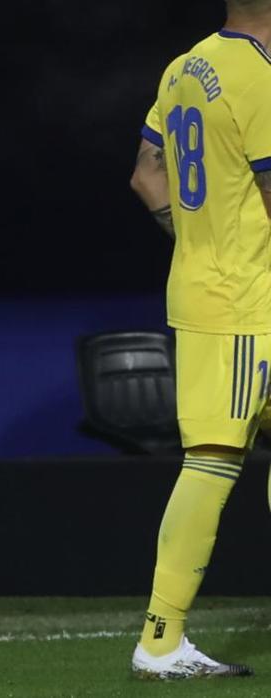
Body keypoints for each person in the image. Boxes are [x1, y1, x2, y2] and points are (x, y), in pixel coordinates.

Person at [127, 0, 271, 680]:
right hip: (249, 305)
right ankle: (159, 639)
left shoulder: (184, 66)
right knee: (212, 461)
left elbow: (146, 173)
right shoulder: (259, 74)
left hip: (207, 290)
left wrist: (196, 238)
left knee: (214, 458)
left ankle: (162, 637)